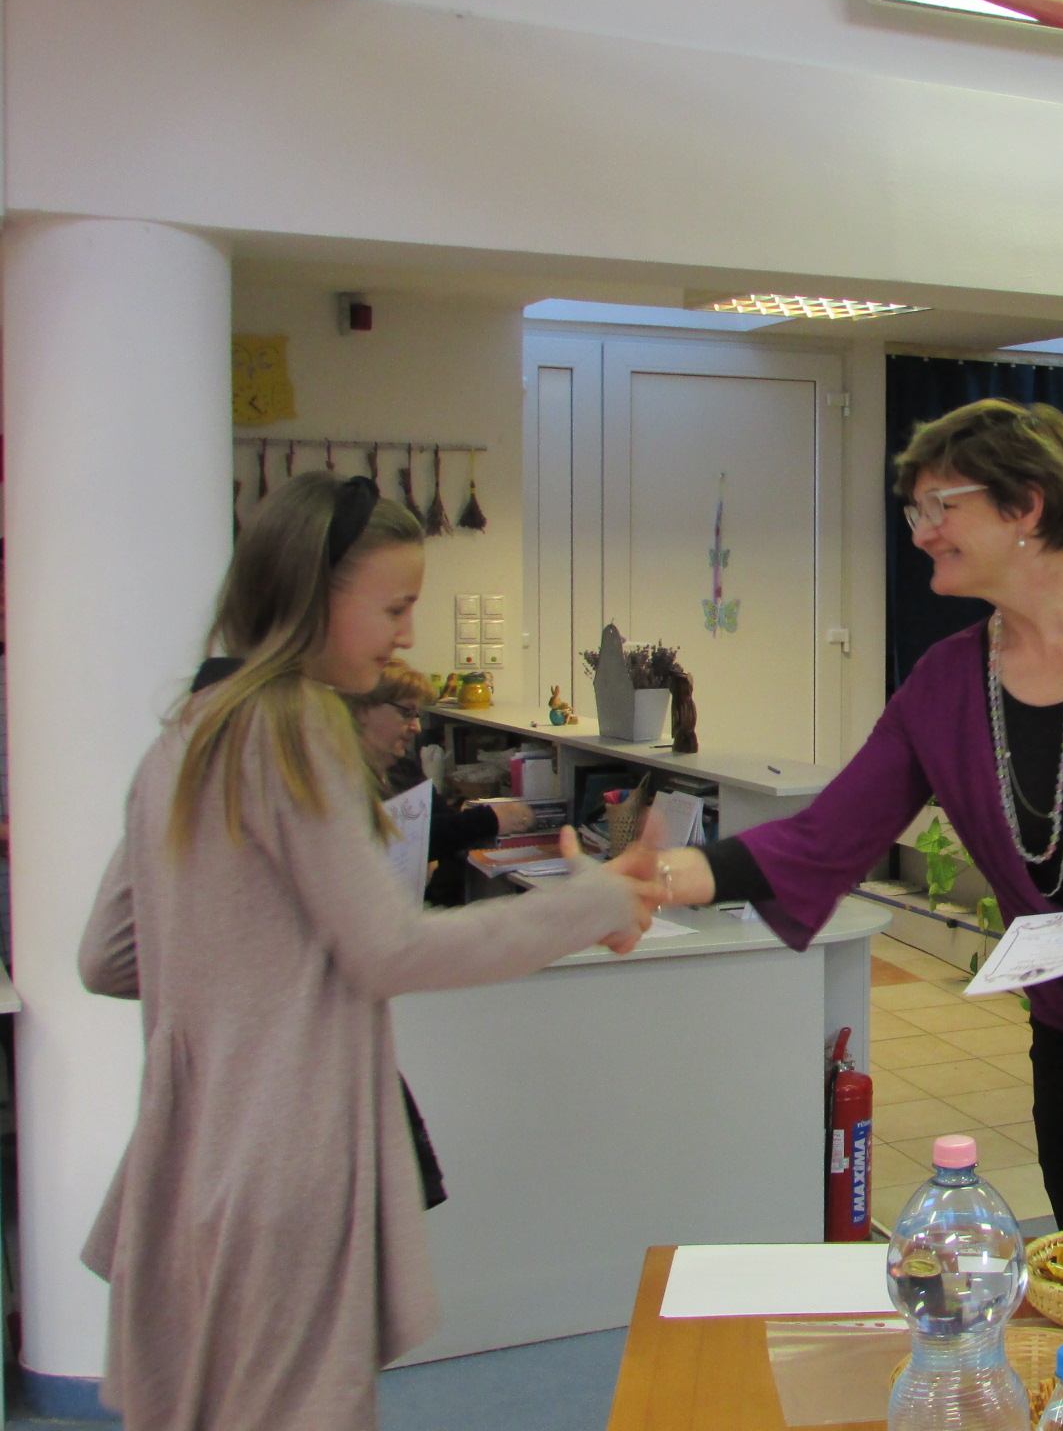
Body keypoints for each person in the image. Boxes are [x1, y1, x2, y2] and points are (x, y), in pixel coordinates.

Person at [79, 472, 664, 1431]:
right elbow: (386, 950)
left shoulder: (186, 735)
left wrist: (246, 967)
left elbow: (107, 956)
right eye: (394, 608)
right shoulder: (295, 727)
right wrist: (589, 902)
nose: (405, 635)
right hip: (284, 1160)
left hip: (188, 1161)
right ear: (312, 596)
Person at [660, 399, 1063, 1230]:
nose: (921, 533)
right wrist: (667, 877)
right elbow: (825, 838)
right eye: (916, 512)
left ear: (1027, 507)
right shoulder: (944, 685)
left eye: (942, 506)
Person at [346, 660, 536, 905]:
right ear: (363, 710)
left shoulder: (403, 767)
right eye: (406, 713)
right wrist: (492, 819)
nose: (416, 727)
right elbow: (400, 838)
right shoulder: (341, 778)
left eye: (416, 715)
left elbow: (435, 827)